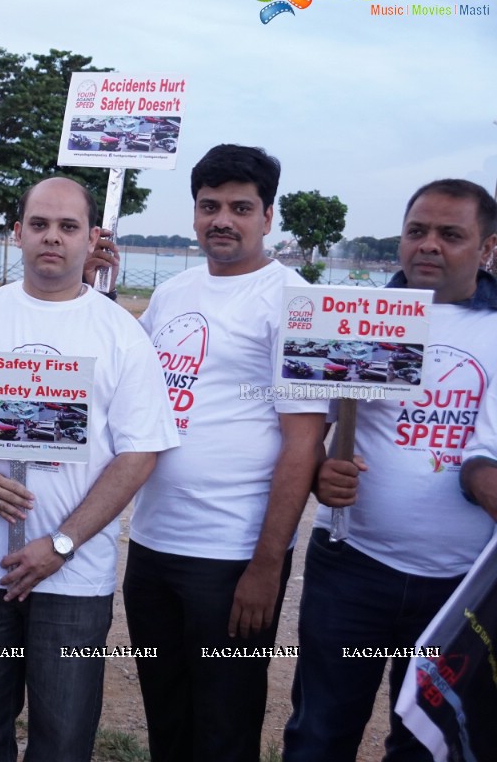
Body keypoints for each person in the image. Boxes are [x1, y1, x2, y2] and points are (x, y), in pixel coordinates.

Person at [0, 177, 178, 762]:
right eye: (39, 224)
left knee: (65, 738)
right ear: (18, 234)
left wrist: (61, 542)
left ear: (91, 238)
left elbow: (139, 451)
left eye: (68, 227)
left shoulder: (120, 333)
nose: (52, 238)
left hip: (74, 577)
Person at [124, 144, 326, 762]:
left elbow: (303, 439)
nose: (222, 220)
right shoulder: (173, 293)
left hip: (233, 556)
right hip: (153, 545)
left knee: (226, 722)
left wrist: (266, 565)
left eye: (241, 207)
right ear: (193, 213)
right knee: (167, 710)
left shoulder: (293, 300)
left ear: (269, 216)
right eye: (210, 206)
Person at [285, 179, 497, 762]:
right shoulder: (357, 316)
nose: (429, 245)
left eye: (451, 235)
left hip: (459, 587)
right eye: (417, 231)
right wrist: (321, 475)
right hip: (351, 568)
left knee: (427, 740)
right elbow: (307, 435)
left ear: (487, 248)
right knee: (320, 730)